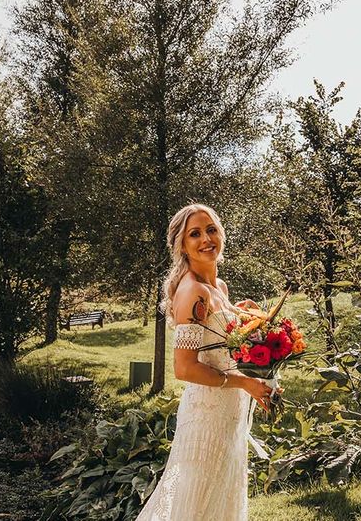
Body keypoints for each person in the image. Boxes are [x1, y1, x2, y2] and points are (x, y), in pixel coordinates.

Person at [136, 204, 274, 521]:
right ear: (181, 246)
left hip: (229, 414)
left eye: (210, 229)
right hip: (207, 417)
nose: (205, 239)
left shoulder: (218, 288)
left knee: (219, 500)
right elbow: (184, 368)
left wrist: (245, 318)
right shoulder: (194, 292)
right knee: (197, 504)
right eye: (194, 234)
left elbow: (219, 342)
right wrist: (245, 383)